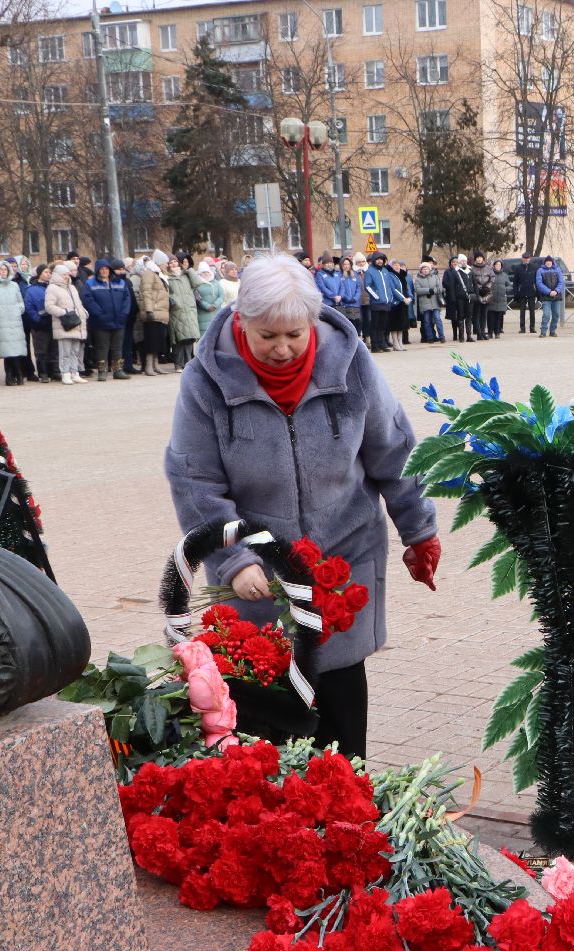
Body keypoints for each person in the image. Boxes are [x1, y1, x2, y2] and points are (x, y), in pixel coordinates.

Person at [163, 254, 439, 757]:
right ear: (241, 320)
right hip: (260, 572)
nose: (283, 348)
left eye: (295, 333)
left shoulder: (350, 363)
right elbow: (194, 481)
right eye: (267, 335)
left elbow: (393, 450)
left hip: (343, 555)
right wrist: (235, 558)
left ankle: (349, 809)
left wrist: (418, 527)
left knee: (340, 698)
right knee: (266, 704)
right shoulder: (206, 382)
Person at [81, 260, 134, 381]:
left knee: (117, 347)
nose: (104, 271)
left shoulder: (120, 282)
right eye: (102, 269)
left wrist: (124, 313)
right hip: (100, 322)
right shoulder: (90, 283)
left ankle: (118, 370)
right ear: (98, 270)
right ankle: (102, 371)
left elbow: (127, 299)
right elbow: (88, 301)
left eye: (106, 269)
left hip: (118, 320)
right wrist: (99, 314)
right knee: (101, 347)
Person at [44, 261, 89, 385]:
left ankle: (75, 373)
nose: (67, 276)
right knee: (65, 351)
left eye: (68, 274)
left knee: (75, 351)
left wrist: (83, 312)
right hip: (64, 324)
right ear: (58, 275)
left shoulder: (72, 287)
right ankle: (65, 373)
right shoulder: (52, 288)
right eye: (64, 274)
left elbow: (78, 303)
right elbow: (49, 306)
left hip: (76, 322)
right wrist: (64, 312)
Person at [0, 260, 31, 386]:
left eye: (5, 270)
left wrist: (19, 309)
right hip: (1, 321)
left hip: (15, 320)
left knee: (16, 349)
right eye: (1, 270)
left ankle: (18, 374)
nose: (3, 272)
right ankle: (10, 375)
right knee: (7, 351)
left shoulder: (14, 285)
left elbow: (20, 300)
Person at [362, 252, 404, 353]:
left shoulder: (385, 271)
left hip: (386, 302)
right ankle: (375, 345)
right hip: (376, 303)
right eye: (378, 259)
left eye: (382, 259)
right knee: (375, 325)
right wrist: (376, 296)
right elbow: (367, 285)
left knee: (383, 325)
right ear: (374, 260)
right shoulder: (369, 271)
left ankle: (382, 344)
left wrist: (390, 297)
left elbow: (390, 286)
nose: (380, 261)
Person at [139, 252, 173, 375]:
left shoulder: (159, 275)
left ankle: (155, 365)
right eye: (165, 263)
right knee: (151, 341)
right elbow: (146, 292)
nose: (167, 265)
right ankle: (148, 366)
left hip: (160, 313)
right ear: (159, 263)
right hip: (153, 313)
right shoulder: (149, 273)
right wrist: (149, 310)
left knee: (158, 341)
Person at [24, 263, 59, 381]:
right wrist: (38, 320)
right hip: (39, 325)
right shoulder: (31, 289)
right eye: (46, 272)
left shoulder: (53, 287)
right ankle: (43, 373)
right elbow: (29, 307)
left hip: (53, 323)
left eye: (50, 272)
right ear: (39, 274)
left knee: (54, 349)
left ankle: (54, 372)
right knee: (41, 350)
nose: (48, 274)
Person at [167, 256, 202, 370]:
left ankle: (189, 363)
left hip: (189, 309)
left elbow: (197, 283)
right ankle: (178, 364)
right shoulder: (167, 277)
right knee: (179, 339)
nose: (173, 264)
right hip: (177, 310)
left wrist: (189, 269)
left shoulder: (185, 275)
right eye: (171, 262)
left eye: (175, 262)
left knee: (189, 337)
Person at [443, 254, 472, 343]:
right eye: (453, 262)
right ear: (451, 263)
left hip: (463, 296)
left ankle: (465, 335)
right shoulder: (448, 272)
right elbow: (446, 283)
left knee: (465, 315)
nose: (455, 263)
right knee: (455, 317)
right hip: (453, 297)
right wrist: (455, 288)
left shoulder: (465, 271)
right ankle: (456, 334)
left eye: (456, 262)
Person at [414, 261, 445, 343]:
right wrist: (428, 290)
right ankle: (430, 338)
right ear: (421, 270)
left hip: (435, 302)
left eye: (426, 268)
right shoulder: (418, 279)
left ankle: (442, 337)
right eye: (423, 269)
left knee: (438, 319)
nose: (425, 270)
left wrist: (432, 291)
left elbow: (440, 288)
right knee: (427, 321)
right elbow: (417, 290)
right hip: (424, 303)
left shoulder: (435, 277)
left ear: (429, 269)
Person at [194, 264, 225, 341]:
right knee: (204, 339)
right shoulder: (196, 283)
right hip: (203, 316)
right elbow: (197, 298)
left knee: (217, 338)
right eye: (203, 272)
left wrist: (215, 305)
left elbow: (221, 295)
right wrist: (207, 306)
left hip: (216, 312)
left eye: (207, 272)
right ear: (199, 273)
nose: (206, 274)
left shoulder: (215, 282)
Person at [536, 255, 564, 337]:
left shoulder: (558, 270)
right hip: (546, 297)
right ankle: (543, 331)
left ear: (552, 262)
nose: (548, 263)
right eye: (547, 262)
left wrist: (556, 291)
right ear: (545, 263)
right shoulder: (540, 270)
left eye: (550, 261)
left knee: (556, 314)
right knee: (546, 315)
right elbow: (539, 283)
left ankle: (552, 331)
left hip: (556, 296)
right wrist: (548, 292)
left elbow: (561, 282)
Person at [469, 253, 495, 340]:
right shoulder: (472, 269)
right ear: (475, 259)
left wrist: (487, 287)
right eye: (477, 258)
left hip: (487, 293)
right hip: (477, 293)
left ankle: (483, 332)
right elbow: (472, 280)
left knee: (484, 314)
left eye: (480, 258)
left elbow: (492, 278)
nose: (479, 259)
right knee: (477, 314)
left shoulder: (488, 268)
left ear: (483, 259)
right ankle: (479, 333)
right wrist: (479, 288)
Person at [513, 253, 539, 333]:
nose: (526, 259)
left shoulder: (534, 267)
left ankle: (532, 328)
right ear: (522, 258)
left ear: (530, 258)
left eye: (528, 258)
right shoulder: (518, 268)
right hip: (522, 292)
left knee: (532, 311)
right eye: (525, 258)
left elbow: (537, 281)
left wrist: (538, 293)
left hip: (532, 291)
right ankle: (522, 328)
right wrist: (515, 292)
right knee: (522, 311)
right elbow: (515, 282)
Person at [390, 259, 414, 347]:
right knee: (394, 325)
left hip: (404, 302)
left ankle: (400, 342)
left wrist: (410, 297)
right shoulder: (390, 275)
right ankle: (395, 342)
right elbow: (393, 289)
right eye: (394, 265)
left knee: (402, 324)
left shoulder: (403, 275)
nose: (397, 266)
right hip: (395, 303)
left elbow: (407, 288)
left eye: (398, 265)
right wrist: (403, 298)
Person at [336, 256, 362, 332]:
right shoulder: (338, 275)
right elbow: (339, 289)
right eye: (344, 264)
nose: (346, 266)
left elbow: (358, 288)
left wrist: (355, 298)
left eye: (348, 264)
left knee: (358, 322)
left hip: (355, 304)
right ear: (341, 265)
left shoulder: (355, 275)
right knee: (349, 324)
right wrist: (346, 298)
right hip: (345, 304)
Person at [488, 258, 510, 337]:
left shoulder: (504, 275)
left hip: (501, 299)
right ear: (494, 266)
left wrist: (504, 290)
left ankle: (497, 333)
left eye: (499, 265)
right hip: (491, 299)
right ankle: (490, 333)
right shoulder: (490, 274)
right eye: (496, 264)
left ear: (501, 266)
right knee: (490, 317)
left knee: (498, 318)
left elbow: (509, 286)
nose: (498, 266)